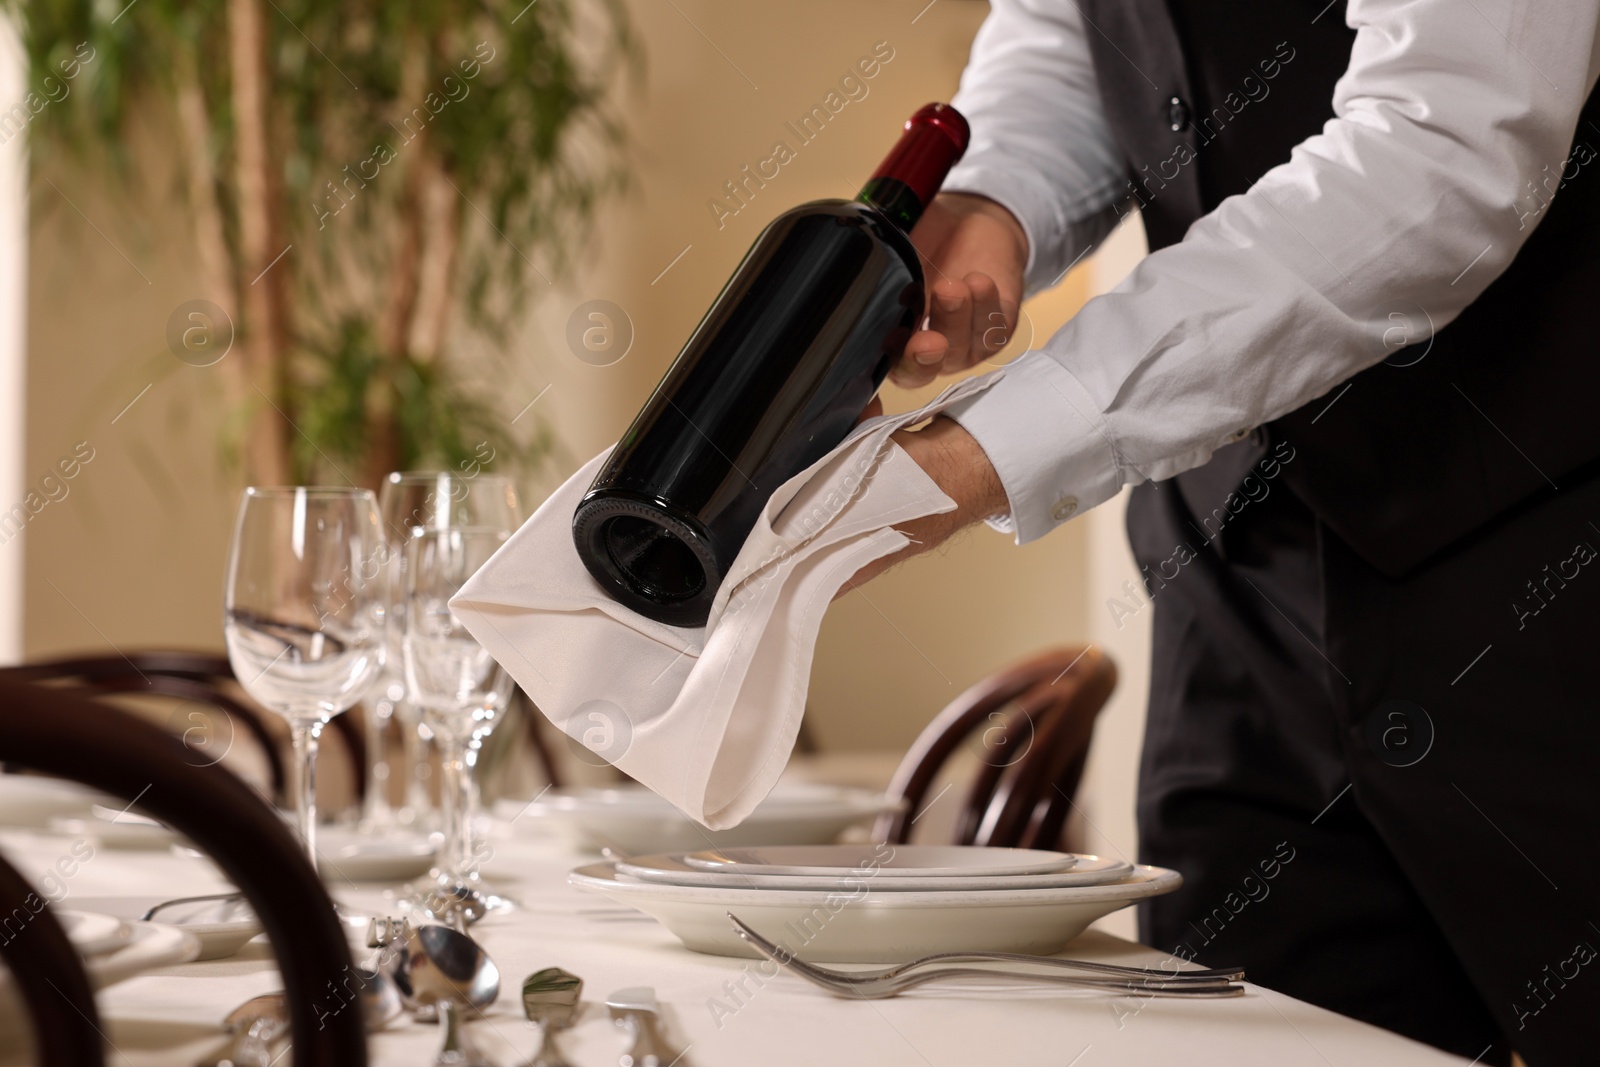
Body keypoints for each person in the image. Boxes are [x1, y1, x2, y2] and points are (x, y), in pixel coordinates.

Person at [853, 2, 1600, 1064]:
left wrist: (993, 447)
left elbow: (1444, 142)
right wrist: (994, 195)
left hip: (1549, 552)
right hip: (1235, 578)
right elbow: (1070, 28)